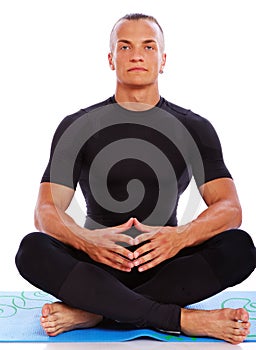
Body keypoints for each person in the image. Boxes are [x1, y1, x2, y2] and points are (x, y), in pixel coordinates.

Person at [15, 13, 256, 345]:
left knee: (239, 247)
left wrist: (179, 237)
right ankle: (180, 319)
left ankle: (96, 312)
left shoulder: (194, 127)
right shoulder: (77, 126)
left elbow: (230, 208)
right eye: (125, 46)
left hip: (166, 263)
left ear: (163, 59)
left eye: (149, 46)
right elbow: (45, 210)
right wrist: (88, 242)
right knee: (31, 249)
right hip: (96, 263)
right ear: (111, 59)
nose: (137, 55)